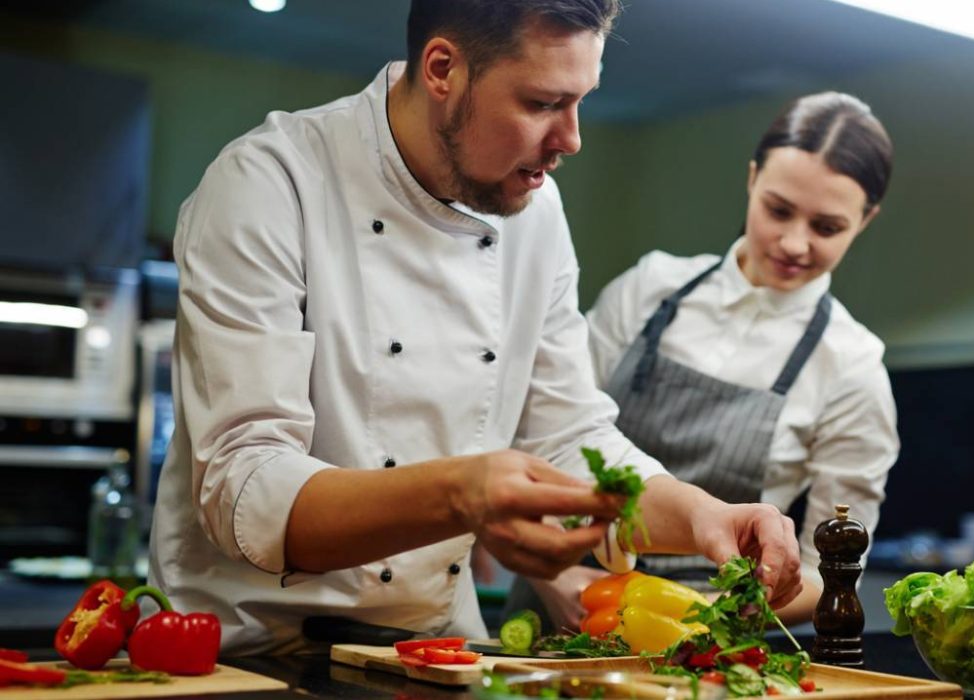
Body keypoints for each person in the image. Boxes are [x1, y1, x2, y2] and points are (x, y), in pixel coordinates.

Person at [148, 0, 803, 656]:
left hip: (431, 653)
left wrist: (704, 517)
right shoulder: (270, 184)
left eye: (580, 101)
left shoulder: (536, 209)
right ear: (442, 70)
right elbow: (247, 487)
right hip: (249, 655)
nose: (572, 138)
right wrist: (462, 494)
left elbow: (569, 436)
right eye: (544, 102)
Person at [510, 91, 898, 630]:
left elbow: (830, 571)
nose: (793, 242)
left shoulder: (853, 368)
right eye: (778, 210)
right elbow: (540, 435)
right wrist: (550, 578)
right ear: (751, 179)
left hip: (703, 636)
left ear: (866, 220)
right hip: (557, 597)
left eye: (826, 227)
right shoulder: (649, 290)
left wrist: (706, 616)